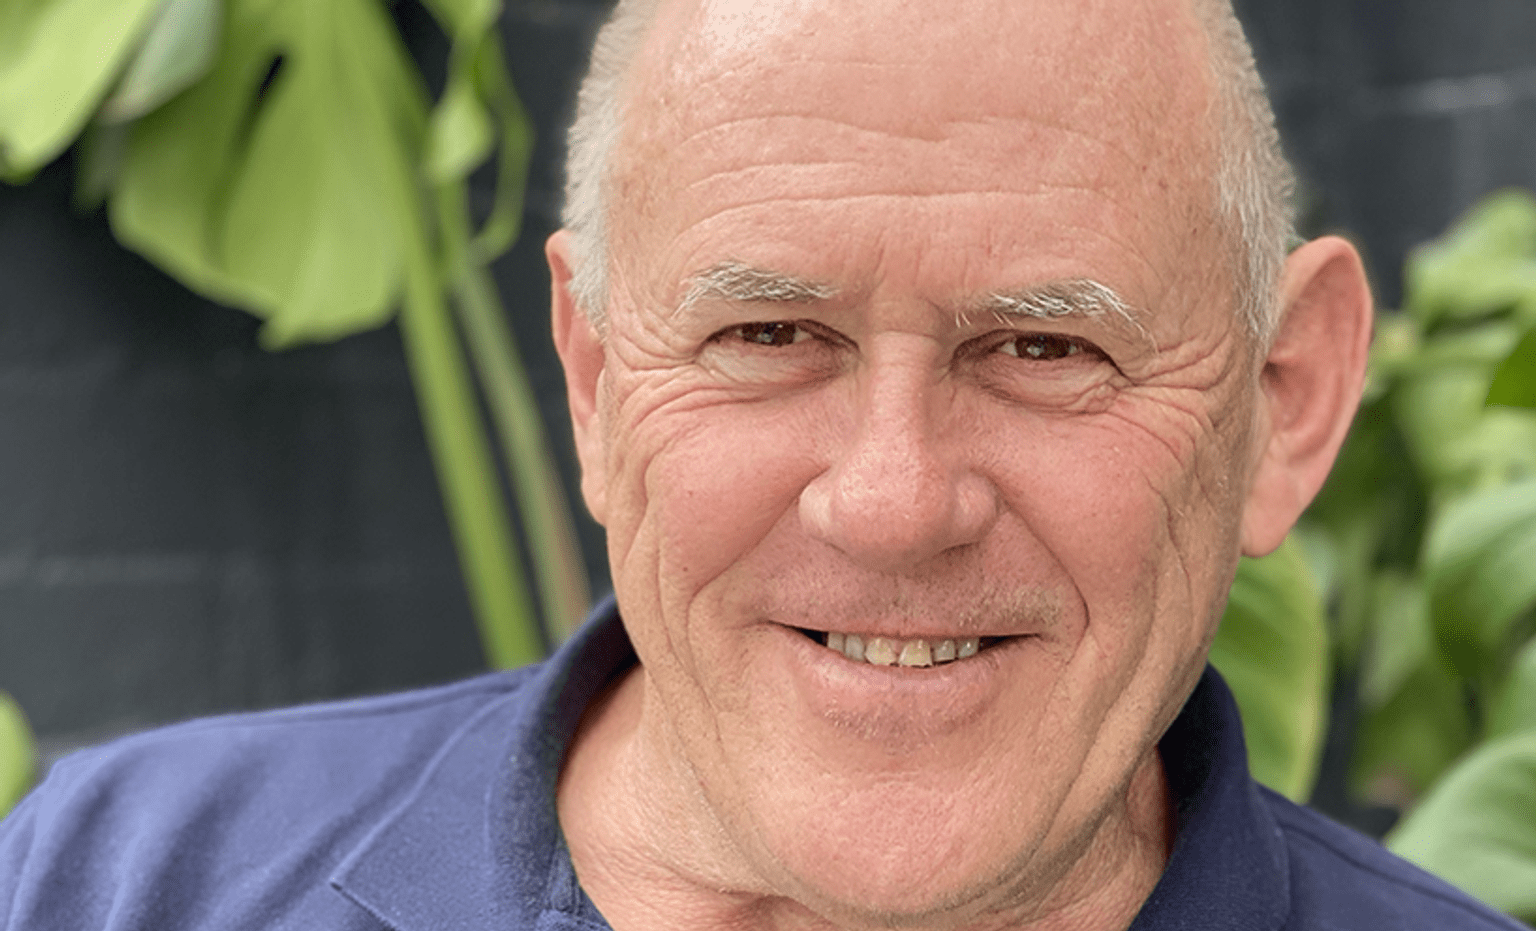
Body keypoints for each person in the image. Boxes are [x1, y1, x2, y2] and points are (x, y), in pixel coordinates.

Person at [0, 0, 1522, 929]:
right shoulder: (120, 885)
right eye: (771, 333)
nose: (893, 498)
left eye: (1046, 350)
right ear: (595, 379)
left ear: (1283, 400)